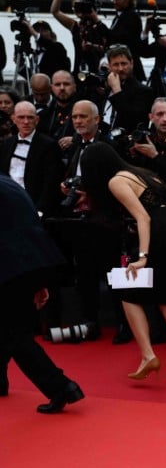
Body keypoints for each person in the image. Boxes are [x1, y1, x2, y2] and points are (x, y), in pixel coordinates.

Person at [80, 143, 166, 386]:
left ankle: (147, 356)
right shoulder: (144, 173)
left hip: (160, 235)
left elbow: (143, 216)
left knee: (126, 291)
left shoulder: (116, 181)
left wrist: (143, 255)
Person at [0, 175, 85, 414]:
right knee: (10, 329)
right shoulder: (8, 183)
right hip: (31, 262)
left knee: (15, 336)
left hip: (9, 267)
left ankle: (62, 388)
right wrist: (38, 281)